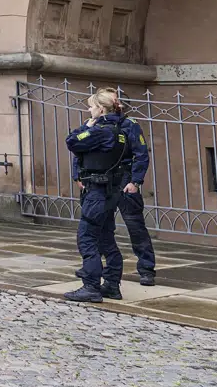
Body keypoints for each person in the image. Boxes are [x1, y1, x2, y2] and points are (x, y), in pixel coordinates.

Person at [72, 96, 156, 286]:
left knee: (134, 225)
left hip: (124, 178)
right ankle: (100, 270)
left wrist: (135, 181)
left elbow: (141, 154)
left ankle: (146, 268)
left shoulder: (129, 124)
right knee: (102, 227)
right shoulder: (94, 124)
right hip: (100, 182)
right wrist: (77, 175)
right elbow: (81, 151)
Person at [64, 87, 127, 302]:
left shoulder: (100, 131)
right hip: (110, 191)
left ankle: (90, 286)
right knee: (106, 237)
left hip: (96, 193)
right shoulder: (120, 132)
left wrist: (87, 125)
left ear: (100, 109)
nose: (89, 110)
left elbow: (72, 141)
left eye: (91, 106)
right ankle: (111, 284)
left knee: (87, 238)